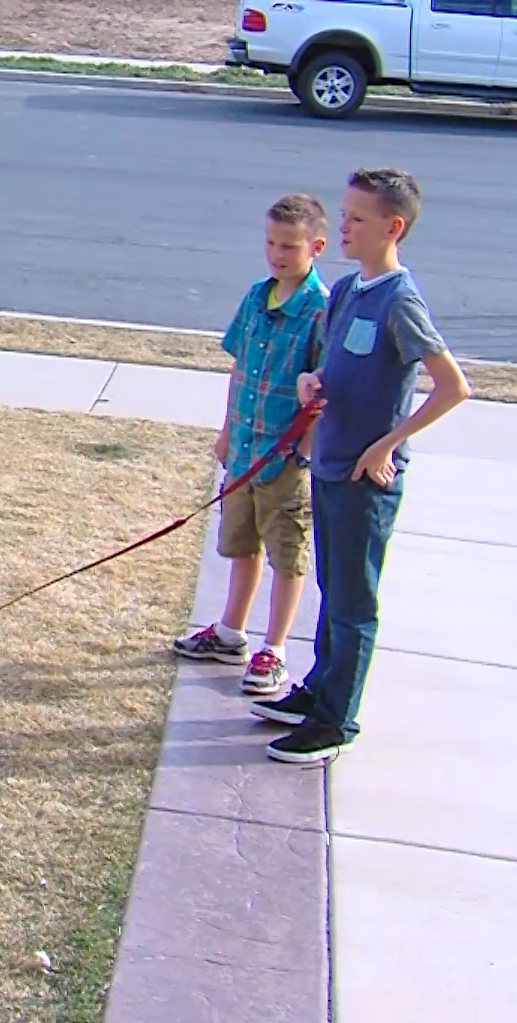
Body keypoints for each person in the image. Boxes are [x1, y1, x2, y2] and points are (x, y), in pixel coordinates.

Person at [251, 167, 472, 764]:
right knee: (332, 586)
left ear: (392, 227)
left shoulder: (401, 300)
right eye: (344, 214)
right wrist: (311, 381)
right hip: (327, 465)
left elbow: (453, 387)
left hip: (362, 479)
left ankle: (334, 720)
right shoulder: (348, 292)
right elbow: (338, 367)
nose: (343, 225)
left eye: (356, 218)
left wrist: (388, 445)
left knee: (353, 602)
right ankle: (318, 688)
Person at [171, 194, 328, 698]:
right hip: (243, 447)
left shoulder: (320, 312)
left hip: (283, 458)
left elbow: (325, 393)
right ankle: (229, 631)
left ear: (316, 247)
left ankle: (275, 648)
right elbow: (239, 369)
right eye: (270, 243)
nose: (277, 255)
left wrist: (302, 451)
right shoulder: (257, 298)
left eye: (289, 246)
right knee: (240, 544)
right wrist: (225, 431)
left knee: (287, 553)